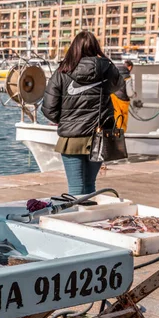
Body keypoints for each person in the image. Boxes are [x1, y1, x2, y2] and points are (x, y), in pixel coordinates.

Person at [42, 31, 124, 195]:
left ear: (74, 48)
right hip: (99, 137)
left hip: (71, 139)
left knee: (75, 189)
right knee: (89, 186)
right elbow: (118, 86)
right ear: (95, 47)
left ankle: (76, 218)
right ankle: (87, 218)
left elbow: (49, 109)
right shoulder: (107, 68)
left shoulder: (62, 72)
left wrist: (66, 120)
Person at [111, 60, 136, 131]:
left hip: (113, 99)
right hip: (123, 101)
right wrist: (134, 94)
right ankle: (121, 136)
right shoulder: (127, 77)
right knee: (122, 122)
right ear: (130, 67)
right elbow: (130, 93)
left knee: (115, 119)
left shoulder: (114, 74)